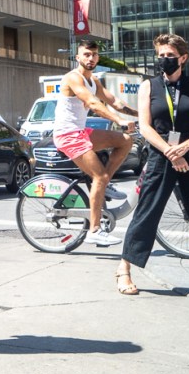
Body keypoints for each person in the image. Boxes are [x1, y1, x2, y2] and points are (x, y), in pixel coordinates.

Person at [115, 34, 189, 296]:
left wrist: (185, 147)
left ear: (183, 58)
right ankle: (124, 269)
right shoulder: (148, 87)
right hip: (161, 155)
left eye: (169, 56)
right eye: (161, 55)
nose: (164, 60)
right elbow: (146, 127)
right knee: (147, 213)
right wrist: (171, 152)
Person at [52, 40, 137, 246]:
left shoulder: (94, 81)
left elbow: (114, 101)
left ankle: (104, 185)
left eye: (94, 55)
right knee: (99, 176)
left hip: (82, 132)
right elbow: (92, 103)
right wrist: (119, 121)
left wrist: (140, 114)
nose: (91, 58)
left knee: (126, 140)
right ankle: (95, 230)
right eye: (87, 54)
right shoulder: (73, 78)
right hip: (67, 135)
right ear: (78, 57)